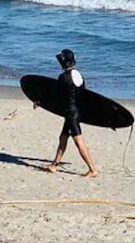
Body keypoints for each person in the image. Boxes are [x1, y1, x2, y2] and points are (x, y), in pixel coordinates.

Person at [45, 49, 98, 178]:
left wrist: (41, 101)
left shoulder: (63, 77)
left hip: (70, 113)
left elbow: (55, 96)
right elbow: (84, 95)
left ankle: (92, 169)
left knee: (79, 142)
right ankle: (54, 165)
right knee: (63, 138)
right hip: (77, 111)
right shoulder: (79, 75)